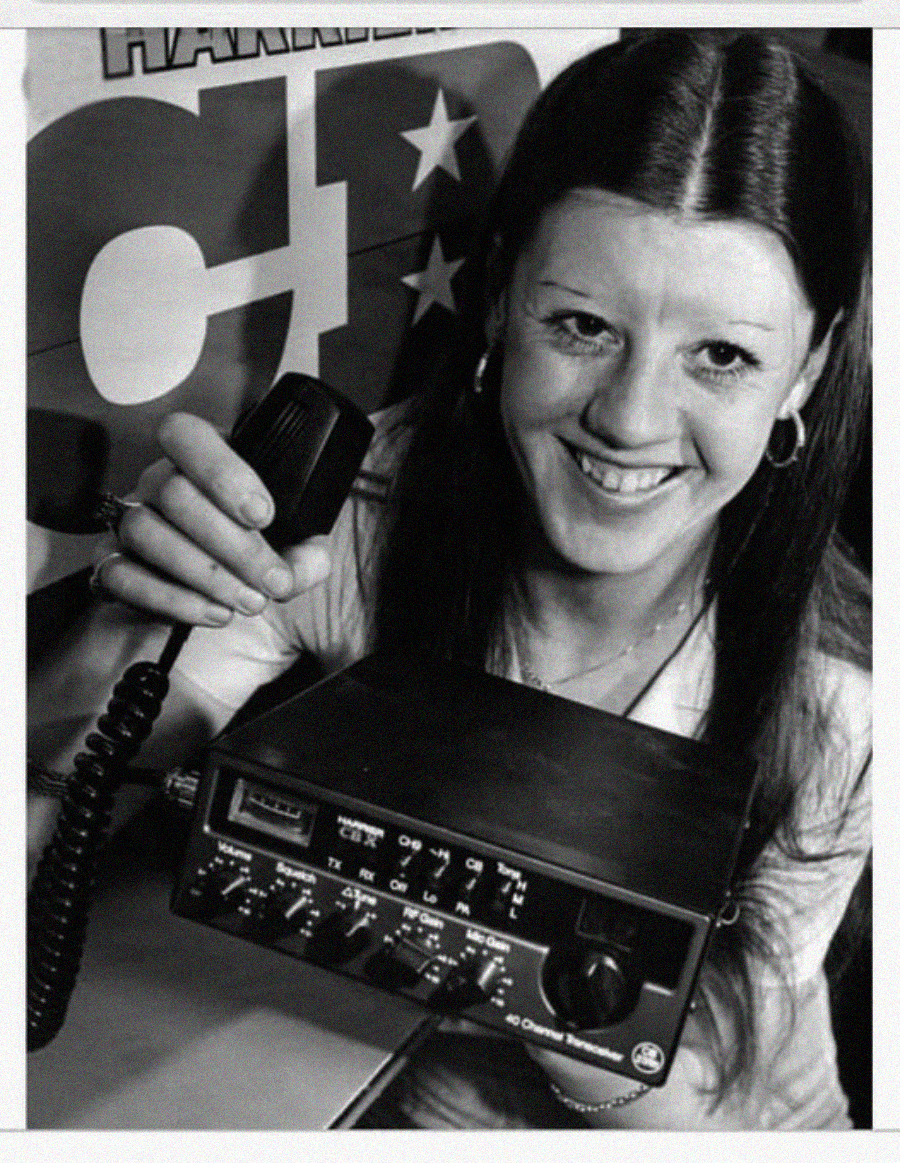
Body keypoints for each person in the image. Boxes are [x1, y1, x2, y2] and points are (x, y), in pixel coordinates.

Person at [28, 30, 871, 1129]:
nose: (631, 419)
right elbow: (46, 823)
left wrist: (482, 919)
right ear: (501, 300)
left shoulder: (842, 693)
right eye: (581, 325)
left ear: (807, 369)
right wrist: (132, 621)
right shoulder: (365, 508)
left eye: (722, 357)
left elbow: (705, 1116)